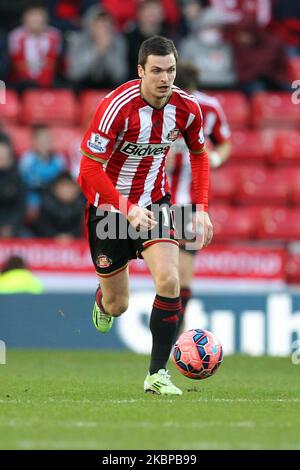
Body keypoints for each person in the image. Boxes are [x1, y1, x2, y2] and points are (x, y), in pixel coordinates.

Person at [78, 35, 213, 396]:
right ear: (140, 71)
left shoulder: (187, 108)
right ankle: (102, 301)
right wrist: (125, 208)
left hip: (156, 203)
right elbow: (87, 171)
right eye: (156, 70)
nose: (164, 78)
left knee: (169, 280)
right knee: (118, 305)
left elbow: (200, 154)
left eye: (170, 70)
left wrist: (200, 208)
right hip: (110, 208)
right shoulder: (115, 107)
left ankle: (156, 373)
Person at [167, 62, 231, 334]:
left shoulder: (209, 107)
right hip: (158, 200)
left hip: (190, 205)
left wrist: (213, 159)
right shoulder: (157, 105)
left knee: (180, 274)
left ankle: (174, 337)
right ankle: (171, 333)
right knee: (170, 275)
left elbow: (225, 142)